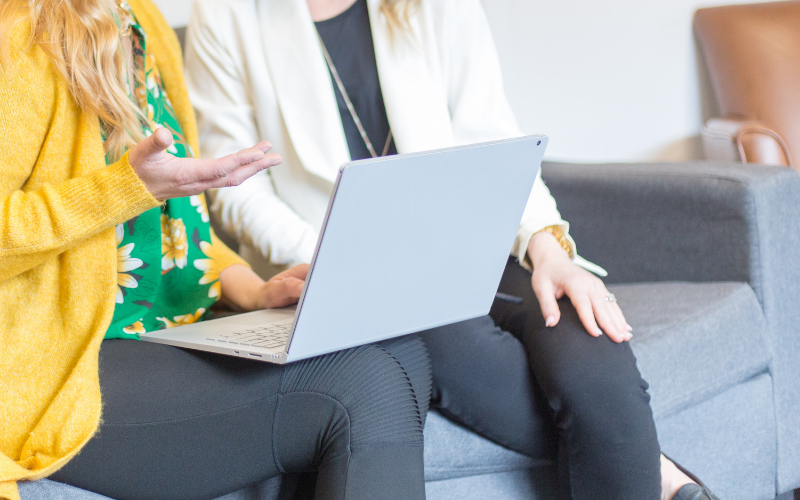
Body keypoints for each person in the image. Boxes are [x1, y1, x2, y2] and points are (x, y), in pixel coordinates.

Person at [184, 0, 720, 499]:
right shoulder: (227, 14)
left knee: (582, 322)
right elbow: (237, 189)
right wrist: (339, 257)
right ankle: (663, 477)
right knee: (439, 334)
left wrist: (548, 247)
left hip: (467, 242)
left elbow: (492, 141)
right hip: (353, 275)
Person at [0, 1, 431, 499]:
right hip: (65, 365)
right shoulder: (20, 35)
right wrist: (126, 187)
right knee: (365, 387)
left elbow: (178, 230)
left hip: (172, 332)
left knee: (400, 348)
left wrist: (253, 291)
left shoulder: (142, 20)